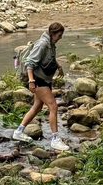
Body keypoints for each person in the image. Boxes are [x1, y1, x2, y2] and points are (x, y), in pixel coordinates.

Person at [11, 22, 70, 152]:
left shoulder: (51, 43)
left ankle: (19, 131)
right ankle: (55, 139)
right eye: (59, 35)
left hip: (44, 79)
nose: (60, 37)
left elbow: (51, 57)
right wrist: (31, 81)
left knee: (37, 107)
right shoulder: (42, 44)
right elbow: (30, 63)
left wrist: (59, 66)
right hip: (38, 80)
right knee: (53, 106)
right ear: (53, 34)